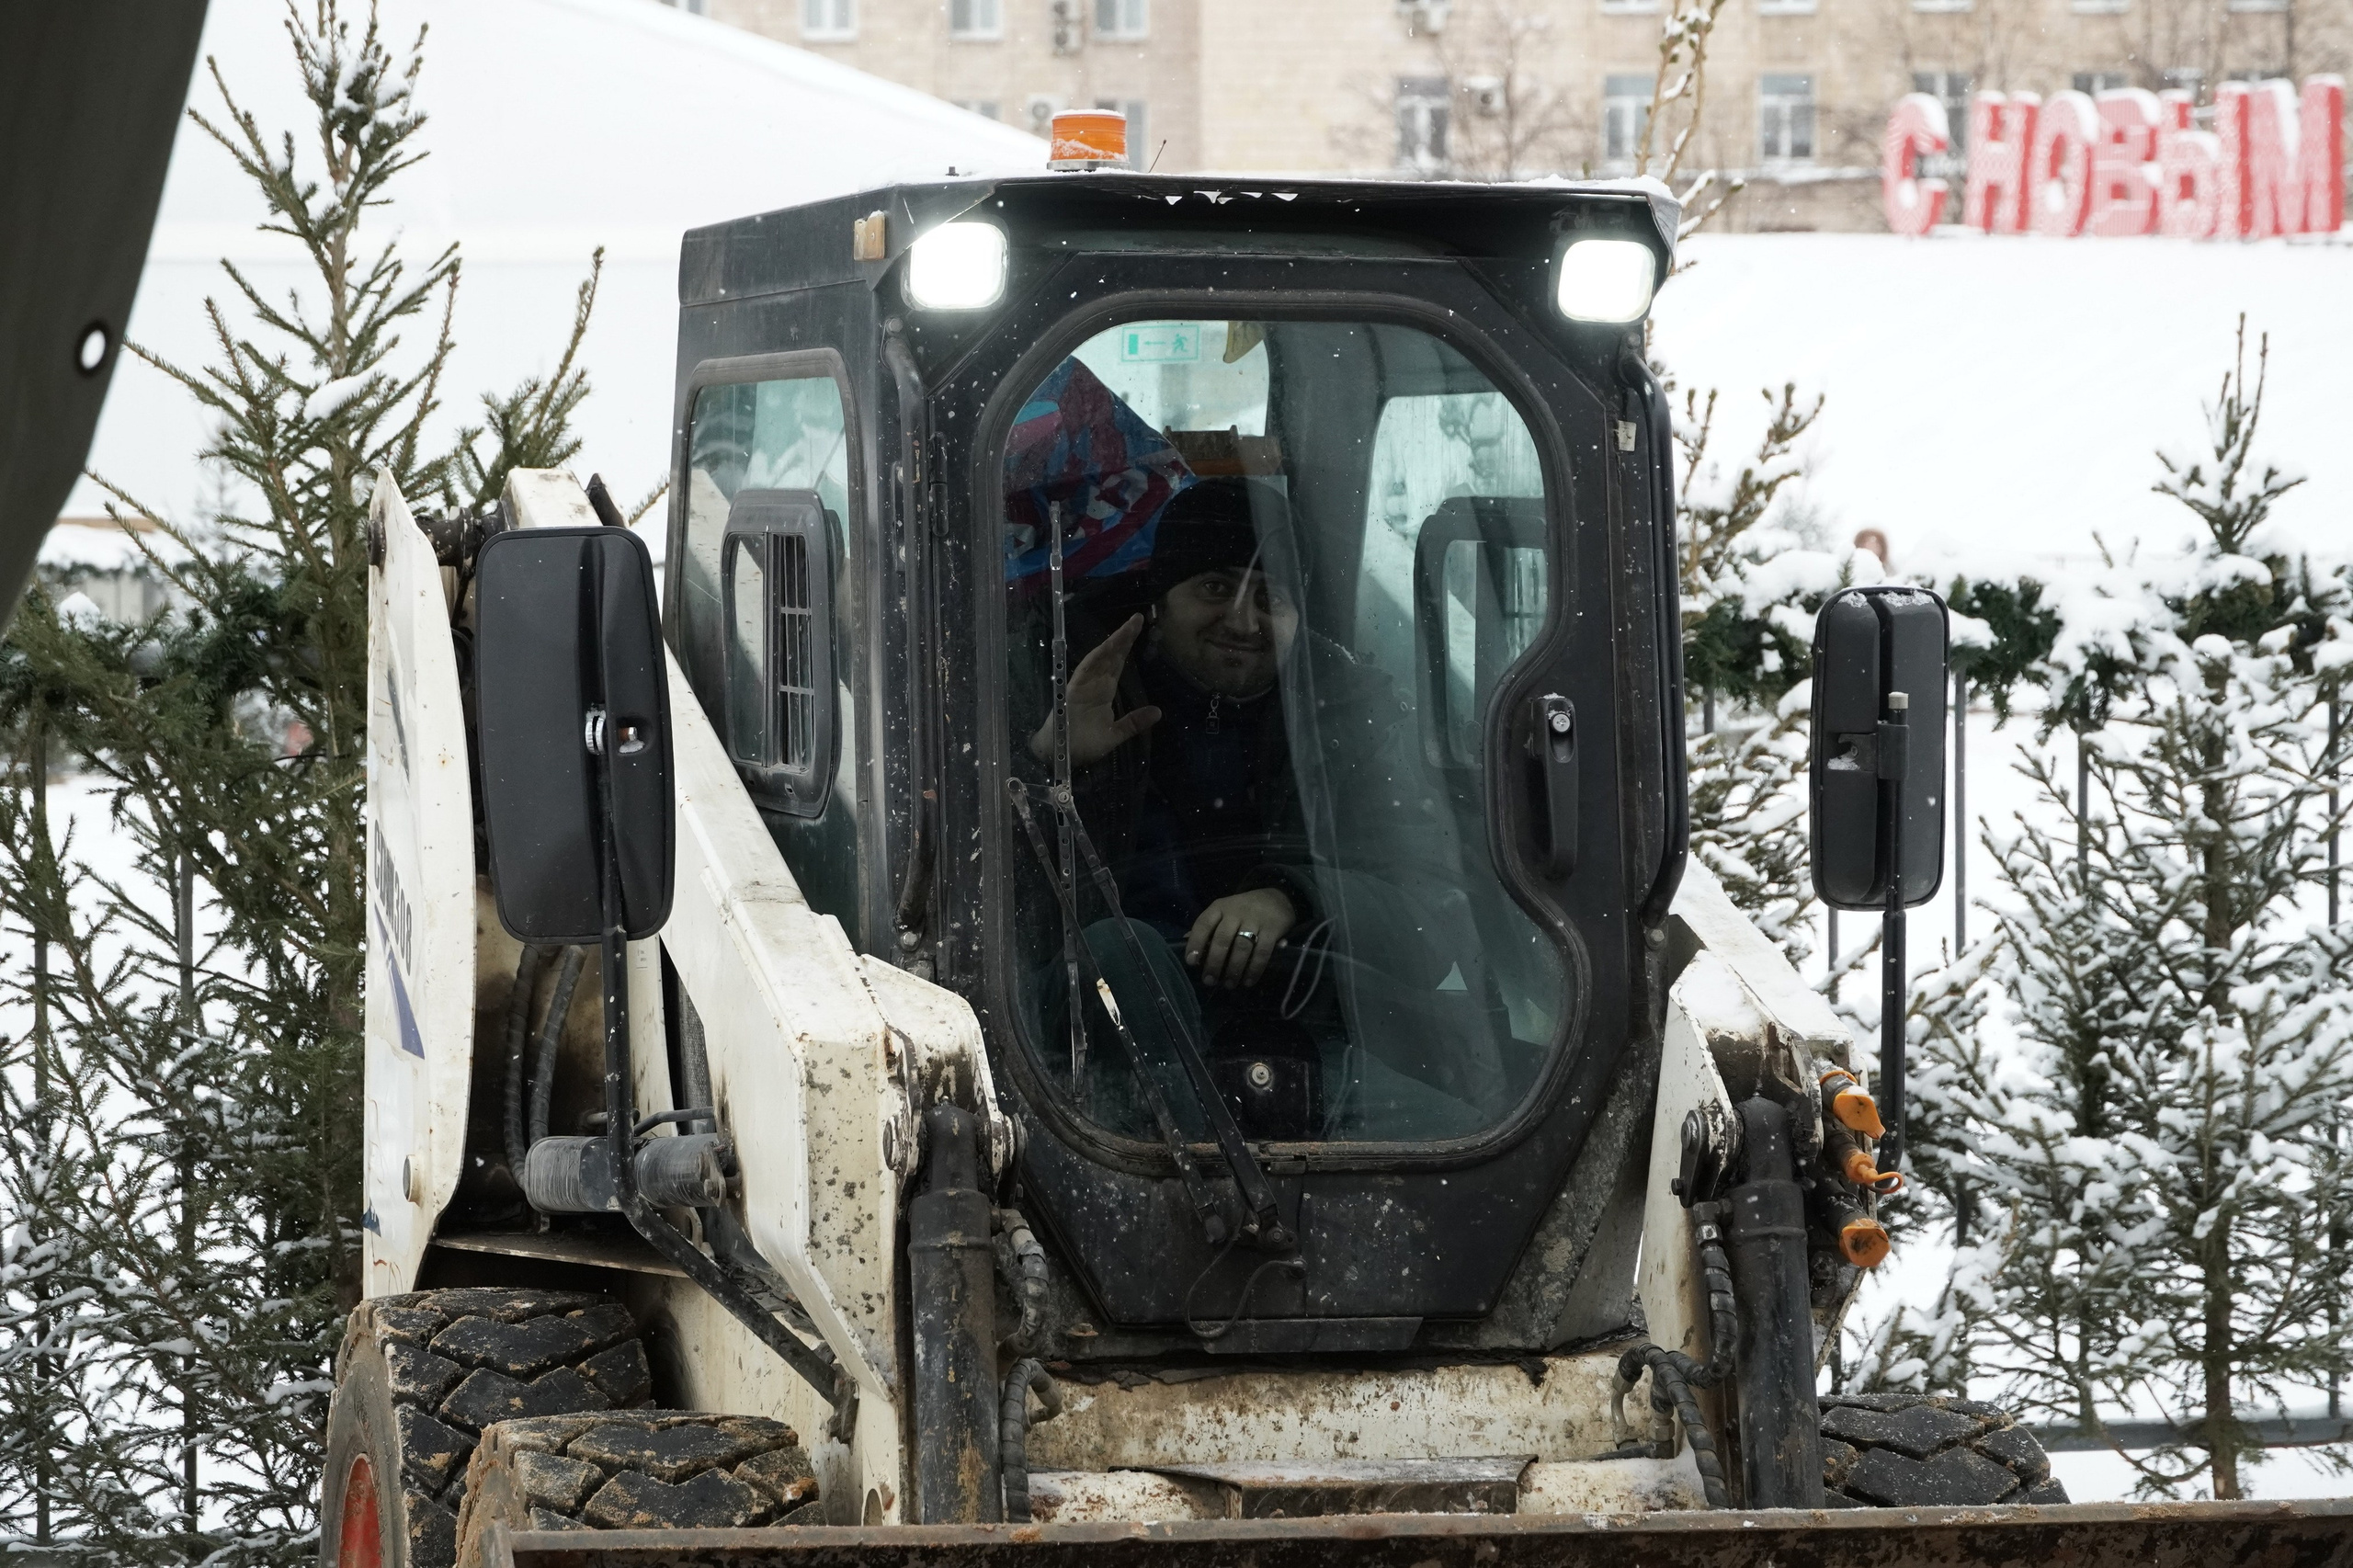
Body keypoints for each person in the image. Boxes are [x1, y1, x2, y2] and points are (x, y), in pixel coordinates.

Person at [1023, 478, 1500, 1142]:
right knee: (1120, 955)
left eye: (1269, 598)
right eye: (1215, 588)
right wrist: (1053, 764)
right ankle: (1208, 1193)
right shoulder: (1053, 677)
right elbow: (980, 909)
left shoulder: (1346, 715)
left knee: (1465, 1152)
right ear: (1160, 596)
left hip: (1301, 1043)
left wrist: (1291, 896)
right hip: (1091, 1066)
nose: (1243, 622)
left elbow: (1436, 911)